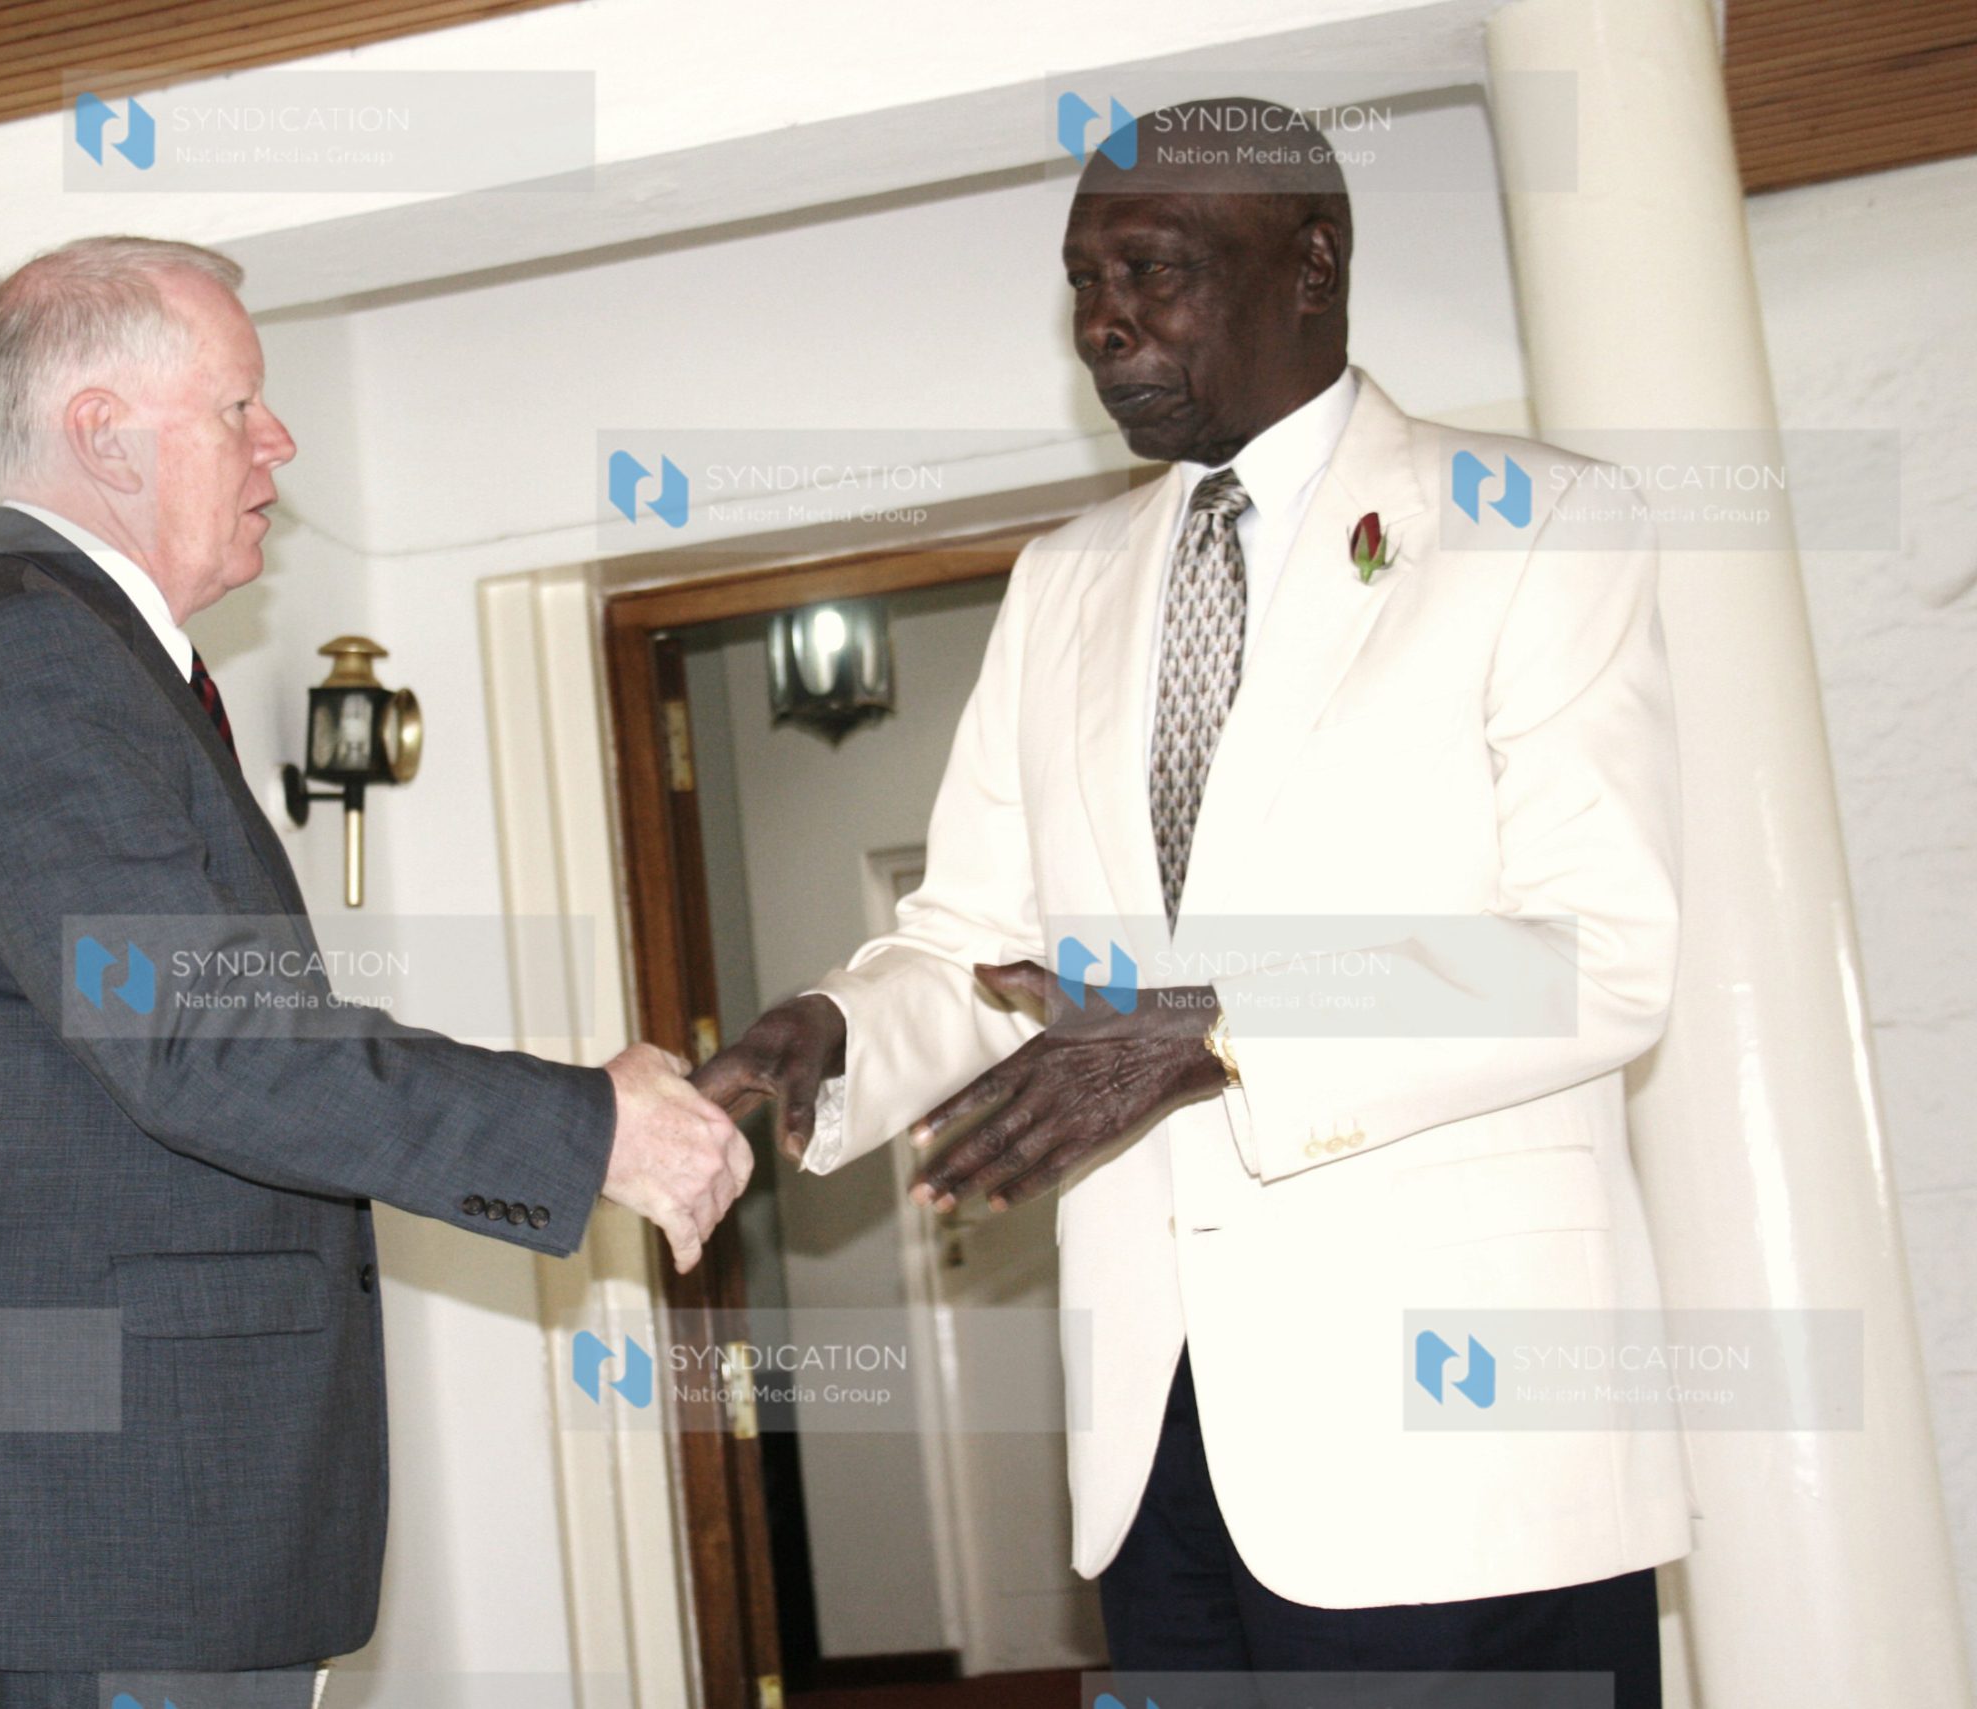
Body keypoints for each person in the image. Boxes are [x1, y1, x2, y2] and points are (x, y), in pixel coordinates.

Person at [696, 100, 1682, 1705]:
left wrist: (1219, 1034)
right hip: (1158, 1445)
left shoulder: (1536, 522)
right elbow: (976, 942)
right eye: (1084, 281)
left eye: (1150, 269)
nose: (1105, 322)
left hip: (1463, 1446)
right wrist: (835, 1029)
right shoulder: (1063, 580)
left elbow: (1601, 955)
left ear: (1313, 263)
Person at [0, 235, 750, 1709]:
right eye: (238, 405)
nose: (280, 442)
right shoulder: (26, 661)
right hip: (87, 1516)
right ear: (103, 435)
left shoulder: (75, 659)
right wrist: (591, 1129)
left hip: (113, 1510)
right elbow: (203, 1042)